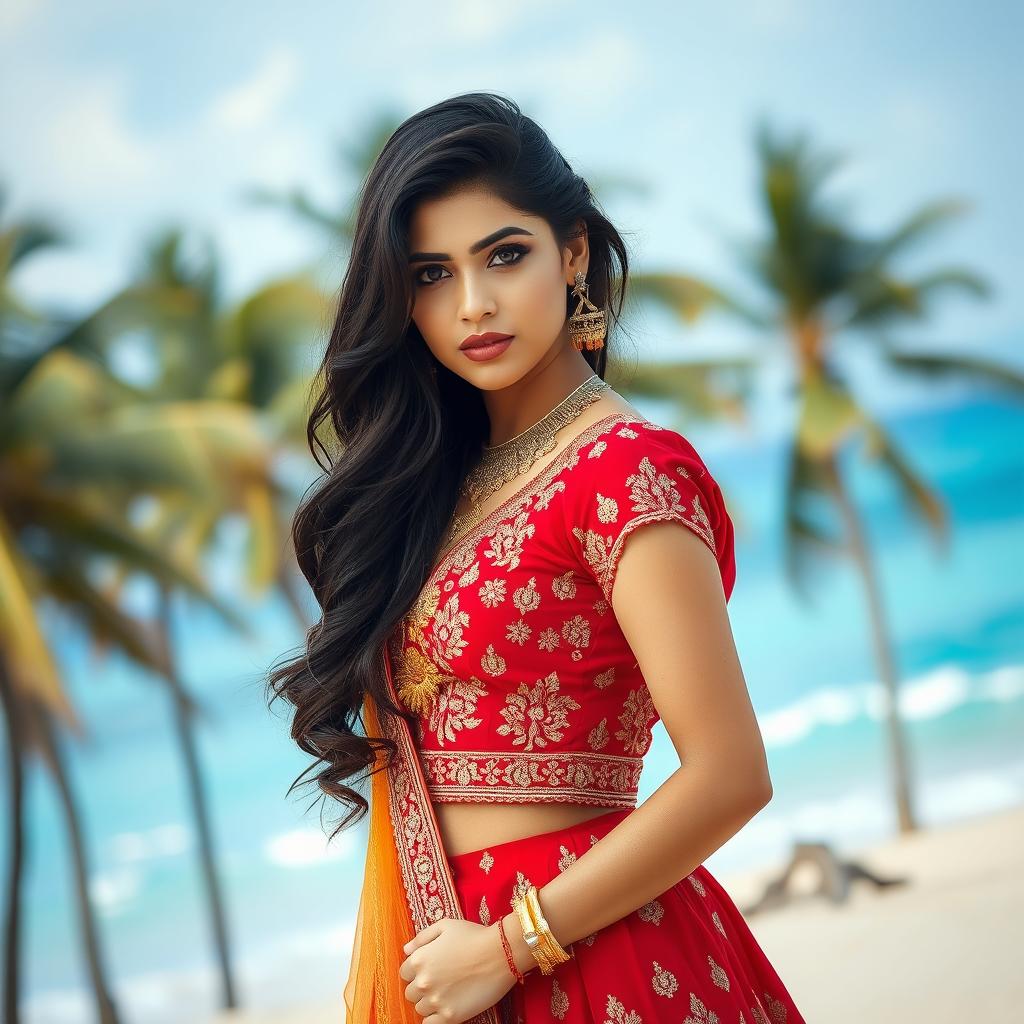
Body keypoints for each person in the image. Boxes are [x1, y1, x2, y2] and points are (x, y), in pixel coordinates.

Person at [268, 91, 806, 1024]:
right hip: (456, 973)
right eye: (431, 274)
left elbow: (730, 773)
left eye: (504, 256)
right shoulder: (434, 489)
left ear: (573, 252)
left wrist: (514, 945)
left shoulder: (624, 472)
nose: (472, 304)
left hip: (597, 965)